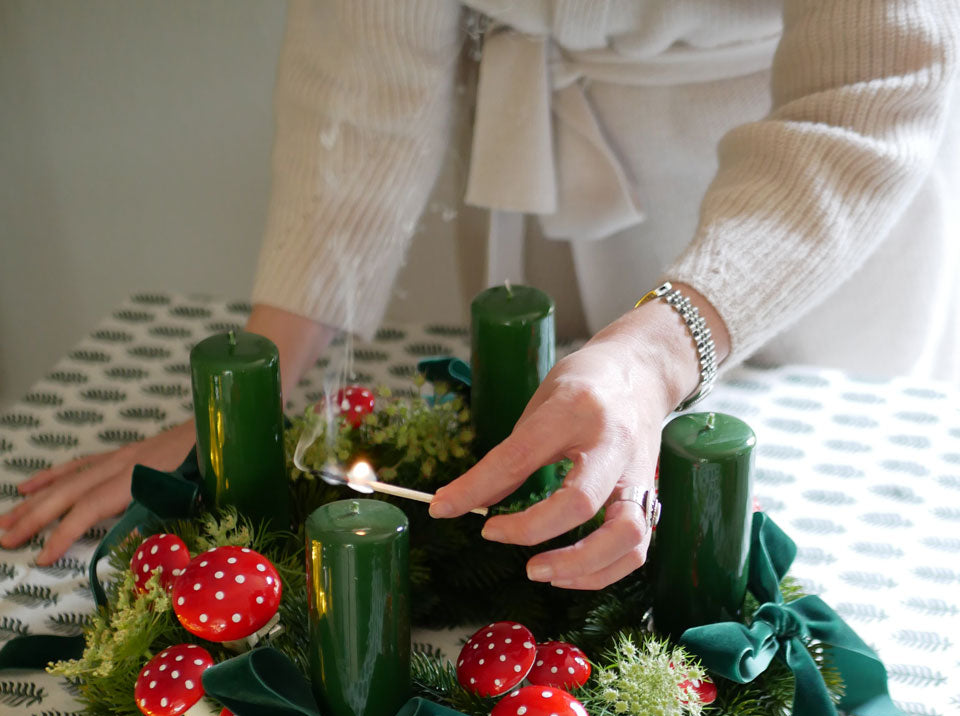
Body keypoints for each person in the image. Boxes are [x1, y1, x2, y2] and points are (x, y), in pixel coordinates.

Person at [2, 1, 958, 590]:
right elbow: (365, 68)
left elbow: (872, 79)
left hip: (805, 221)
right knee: (537, 439)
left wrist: (659, 350)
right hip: (533, 175)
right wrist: (254, 398)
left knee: (765, 536)